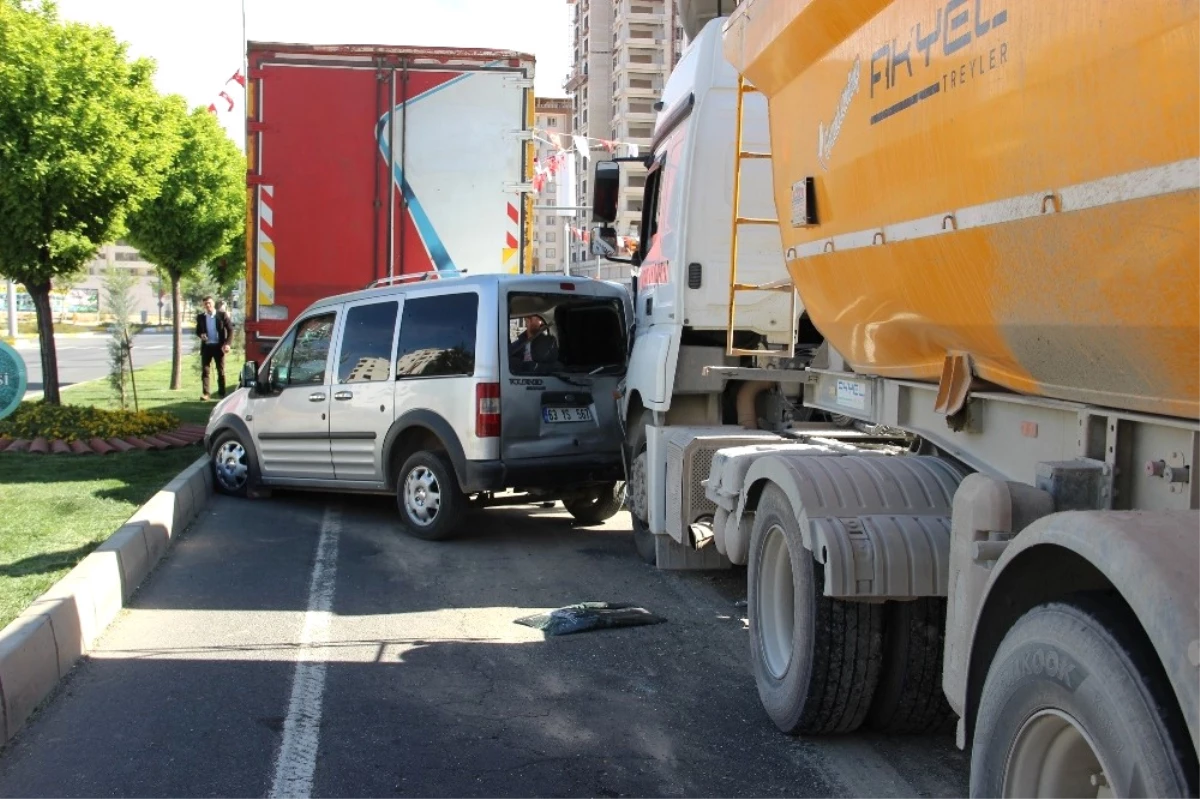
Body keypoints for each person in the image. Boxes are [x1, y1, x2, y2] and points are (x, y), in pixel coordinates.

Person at [196, 295, 234, 400]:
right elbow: (198, 331)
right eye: (205, 304)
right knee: (205, 370)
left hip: (219, 347)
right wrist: (201, 335)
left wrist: (227, 344)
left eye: (209, 303)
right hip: (207, 346)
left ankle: (222, 393)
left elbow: (230, 330)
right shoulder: (201, 317)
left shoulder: (222, 315)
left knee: (220, 370)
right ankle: (206, 393)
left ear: (213, 303)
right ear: (203, 305)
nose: (207, 305)